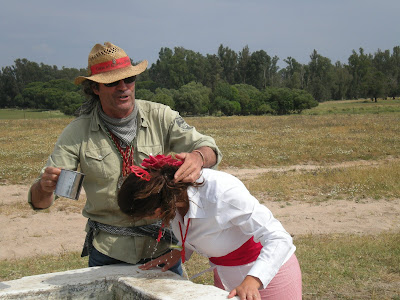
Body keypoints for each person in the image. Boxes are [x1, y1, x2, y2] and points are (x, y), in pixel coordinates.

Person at [28, 42, 222, 274]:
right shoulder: (76, 132)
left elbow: (210, 148)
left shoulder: (160, 116)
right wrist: (44, 187)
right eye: (112, 82)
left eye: (129, 80)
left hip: (161, 247)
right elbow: (41, 202)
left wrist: (198, 157)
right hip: (108, 252)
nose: (123, 87)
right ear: (95, 88)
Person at [117, 155, 302, 300]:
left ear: (158, 208)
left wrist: (253, 281)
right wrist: (181, 253)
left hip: (268, 276)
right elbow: (200, 228)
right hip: (225, 274)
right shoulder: (174, 196)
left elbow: (279, 238)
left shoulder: (221, 193)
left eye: (148, 216)